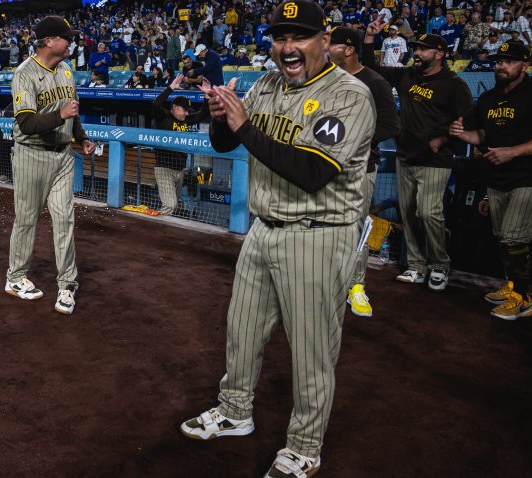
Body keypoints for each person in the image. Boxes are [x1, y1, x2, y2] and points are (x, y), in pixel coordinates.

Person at [180, 2, 376, 476]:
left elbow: (311, 172)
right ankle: (234, 411)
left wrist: (243, 123)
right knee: (241, 332)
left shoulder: (349, 96)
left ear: (324, 42)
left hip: (318, 234)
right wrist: (219, 116)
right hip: (263, 229)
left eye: (301, 37)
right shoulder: (266, 83)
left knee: (310, 350)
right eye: (279, 37)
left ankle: (305, 447)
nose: (288, 47)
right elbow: (227, 143)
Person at [449, 41, 532, 320]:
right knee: (502, 238)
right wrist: (464, 135)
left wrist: (513, 152)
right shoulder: (489, 98)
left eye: (510, 61)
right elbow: (483, 137)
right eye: (499, 60)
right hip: (498, 177)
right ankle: (512, 286)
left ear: (525, 65)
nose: (502, 65)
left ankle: (522, 300)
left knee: (514, 237)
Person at [363, 26, 474, 291]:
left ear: (440, 54)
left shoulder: (454, 84)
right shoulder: (407, 75)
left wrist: (443, 139)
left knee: (428, 212)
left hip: (436, 159)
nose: (417, 53)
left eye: (423, 49)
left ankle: (440, 265)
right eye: (416, 49)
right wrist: (369, 38)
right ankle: (416, 266)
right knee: (409, 213)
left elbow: (467, 121)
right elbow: (370, 67)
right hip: (406, 156)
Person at [5, 16, 97, 316]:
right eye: (65, 37)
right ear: (48, 42)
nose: (70, 42)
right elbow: (26, 122)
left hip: (62, 156)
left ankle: (68, 284)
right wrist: (60, 115)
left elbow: (73, 111)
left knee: (65, 220)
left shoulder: (66, 70)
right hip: (31, 153)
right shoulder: (25, 73)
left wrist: (80, 138)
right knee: (27, 220)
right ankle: (16, 278)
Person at [328, 26, 401, 317]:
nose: (324, 49)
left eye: (330, 44)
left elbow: (391, 125)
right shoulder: (325, 79)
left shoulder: (375, 82)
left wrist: (355, 139)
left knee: (356, 228)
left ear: (348, 49)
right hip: (324, 167)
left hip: (360, 167)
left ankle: (356, 287)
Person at [151, 74, 210, 215]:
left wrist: (207, 97)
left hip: (180, 170)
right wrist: (171, 88)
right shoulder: (164, 117)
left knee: (173, 206)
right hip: (164, 169)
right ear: (175, 107)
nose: (186, 113)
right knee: (170, 205)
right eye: (184, 110)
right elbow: (155, 104)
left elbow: (203, 114)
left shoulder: (185, 119)